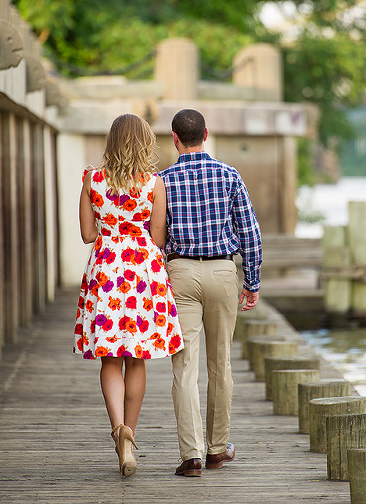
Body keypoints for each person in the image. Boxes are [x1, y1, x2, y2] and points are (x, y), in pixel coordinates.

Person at [73, 113, 184, 477]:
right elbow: (158, 238)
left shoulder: (92, 180)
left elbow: (88, 235)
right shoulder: (154, 183)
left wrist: (111, 231)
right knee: (136, 359)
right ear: (145, 143)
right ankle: (130, 437)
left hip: (105, 272)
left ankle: (117, 427)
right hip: (143, 275)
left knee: (110, 360)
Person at [160, 108, 262, 478]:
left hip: (180, 272)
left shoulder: (162, 181)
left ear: (174, 138)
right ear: (207, 134)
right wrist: (251, 281)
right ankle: (218, 449)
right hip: (222, 271)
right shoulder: (229, 174)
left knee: (184, 366)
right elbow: (250, 233)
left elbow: (156, 238)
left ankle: (192, 455)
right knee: (220, 363)